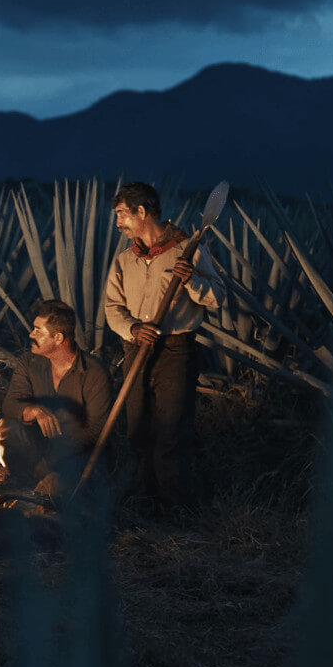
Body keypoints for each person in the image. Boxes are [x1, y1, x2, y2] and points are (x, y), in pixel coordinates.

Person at [105, 182, 225, 507]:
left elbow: (218, 296)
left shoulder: (187, 249)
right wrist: (132, 329)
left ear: (141, 212)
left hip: (176, 351)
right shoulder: (125, 260)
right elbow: (113, 307)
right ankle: (144, 501)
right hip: (136, 350)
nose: (118, 223)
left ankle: (175, 510)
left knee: (171, 433)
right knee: (138, 430)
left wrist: (191, 280)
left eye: (121, 214)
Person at [2, 299, 111, 491]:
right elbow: (10, 405)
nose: (31, 334)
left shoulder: (94, 373)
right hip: (36, 450)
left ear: (58, 338)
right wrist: (34, 411)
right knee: (10, 427)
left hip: (75, 455)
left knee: (62, 487)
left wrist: (53, 461)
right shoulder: (29, 362)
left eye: (38, 331)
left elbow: (95, 431)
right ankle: (16, 490)